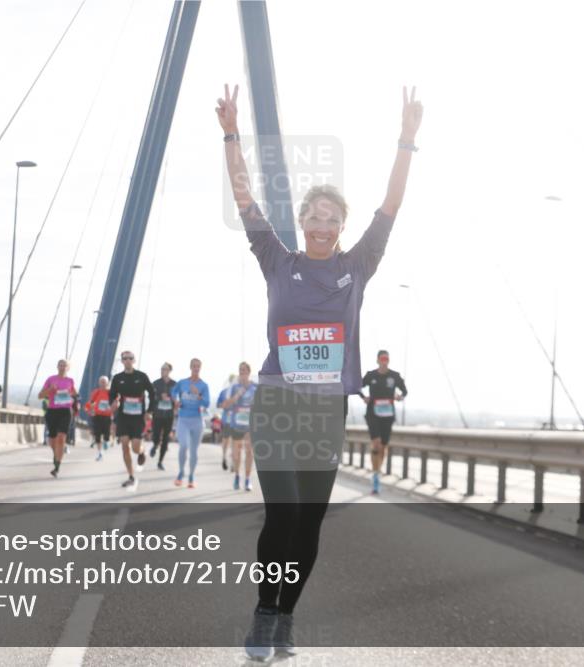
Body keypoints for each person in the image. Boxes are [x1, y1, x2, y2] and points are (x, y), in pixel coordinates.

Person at [217, 82, 422, 659]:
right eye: (314, 214)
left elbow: (391, 206)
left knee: (308, 528)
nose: (323, 223)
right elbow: (245, 199)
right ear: (302, 220)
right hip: (279, 405)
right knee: (281, 514)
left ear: (341, 225)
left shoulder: (359, 265)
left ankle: (285, 616)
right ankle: (263, 613)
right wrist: (232, 135)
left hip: (327, 412)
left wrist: (406, 140)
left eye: (332, 216)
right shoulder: (277, 260)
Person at [359, 349, 408, 494]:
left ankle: (377, 470)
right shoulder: (371, 375)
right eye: (382, 358)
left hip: (388, 414)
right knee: (376, 442)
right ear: (377, 360)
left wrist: (400, 396)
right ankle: (375, 477)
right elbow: (357, 386)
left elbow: (405, 391)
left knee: (383, 446)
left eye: (386, 358)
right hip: (372, 413)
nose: (384, 361)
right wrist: (363, 397)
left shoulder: (395, 376)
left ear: (389, 360)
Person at [108, 350, 155, 488]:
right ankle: (131, 476)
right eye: (125, 358)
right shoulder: (117, 378)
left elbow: (152, 393)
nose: (128, 360)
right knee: (124, 445)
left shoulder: (141, 376)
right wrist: (114, 402)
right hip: (123, 416)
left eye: (130, 358)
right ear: (122, 361)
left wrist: (150, 411)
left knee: (135, 447)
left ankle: (141, 452)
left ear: (134, 360)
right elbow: (112, 394)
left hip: (138, 417)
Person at [170, 358, 210, 488]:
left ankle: (191, 476)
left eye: (198, 366)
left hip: (197, 420)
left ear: (200, 368)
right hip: (183, 419)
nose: (196, 368)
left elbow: (207, 403)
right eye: (194, 366)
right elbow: (173, 392)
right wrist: (176, 400)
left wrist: (198, 395)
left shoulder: (204, 385)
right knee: (183, 446)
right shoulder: (182, 383)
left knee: (193, 451)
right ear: (190, 367)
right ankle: (181, 473)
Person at [38, 359, 78, 478]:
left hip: (65, 411)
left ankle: (57, 466)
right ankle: (56, 453)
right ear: (57, 367)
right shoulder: (51, 379)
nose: (62, 367)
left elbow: (75, 394)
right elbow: (40, 396)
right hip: (52, 411)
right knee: (52, 440)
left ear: (68, 368)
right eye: (60, 365)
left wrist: (73, 397)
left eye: (64, 365)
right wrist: (50, 390)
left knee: (61, 438)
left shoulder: (70, 381)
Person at [222, 361, 257, 491]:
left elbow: (262, 405)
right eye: (240, 370)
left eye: (244, 370)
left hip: (250, 426)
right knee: (236, 455)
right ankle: (237, 476)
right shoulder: (234, 387)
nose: (242, 372)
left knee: (249, 452)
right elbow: (225, 405)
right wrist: (237, 396)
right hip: (236, 425)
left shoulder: (255, 388)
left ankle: (247, 480)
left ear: (249, 372)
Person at [150, 362, 177, 471]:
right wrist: (158, 397)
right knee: (156, 435)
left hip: (169, 415)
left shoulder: (174, 384)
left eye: (165, 369)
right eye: (161, 369)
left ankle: (160, 461)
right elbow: (151, 397)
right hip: (157, 414)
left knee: (166, 438)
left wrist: (170, 398)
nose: (163, 371)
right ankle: (155, 445)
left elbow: (177, 398)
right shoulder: (156, 383)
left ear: (169, 371)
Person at [85, 376, 113, 461]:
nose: (103, 383)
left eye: (104, 382)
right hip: (97, 416)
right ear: (99, 383)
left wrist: (114, 406)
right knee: (97, 435)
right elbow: (91, 402)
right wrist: (89, 410)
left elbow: (116, 401)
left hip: (107, 416)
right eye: (101, 382)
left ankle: (106, 441)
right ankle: (100, 453)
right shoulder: (96, 392)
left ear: (107, 383)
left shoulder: (110, 392)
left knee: (106, 435)